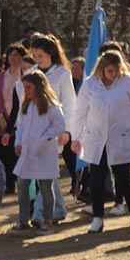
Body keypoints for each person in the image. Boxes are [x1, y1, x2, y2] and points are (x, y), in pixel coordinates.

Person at [69, 50, 130, 233]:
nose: (114, 75)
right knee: (96, 179)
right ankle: (98, 217)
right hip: (96, 138)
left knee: (123, 177)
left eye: (116, 71)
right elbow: (80, 111)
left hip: (120, 137)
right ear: (102, 69)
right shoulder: (90, 84)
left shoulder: (128, 82)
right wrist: (76, 137)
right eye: (110, 72)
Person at [27, 35, 77, 223]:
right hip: (35, 128)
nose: (37, 60)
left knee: (45, 170)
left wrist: (67, 131)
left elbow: (70, 103)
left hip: (55, 127)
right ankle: (59, 209)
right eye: (34, 56)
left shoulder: (62, 73)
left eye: (41, 55)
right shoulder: (31, 72)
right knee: (46, 171)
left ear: (50, 53)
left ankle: (40, 212)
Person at [8, 71, 66, 235]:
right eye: (25, 88)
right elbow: (20, 126)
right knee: (22, 184)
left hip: (44, 153)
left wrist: (44, 139)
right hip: (27, 153)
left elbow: (60, 126)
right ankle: (23, 219)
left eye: (29, 87)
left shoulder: (52, 106)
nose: (26, 91)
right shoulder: (26, 106)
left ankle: (48, 220)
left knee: (46, 187)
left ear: (39, 87)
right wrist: (18, 141)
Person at [0, 44, 28, 195]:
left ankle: (16, 180)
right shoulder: (3, 74)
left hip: (20, 116)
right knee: (3, 151)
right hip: (4, 116)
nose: (14, 58)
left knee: (15, 151)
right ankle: (8, 182)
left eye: (17, 55)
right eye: (11, 55)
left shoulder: (25, 74)